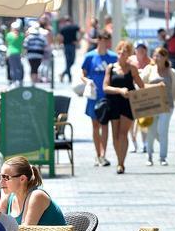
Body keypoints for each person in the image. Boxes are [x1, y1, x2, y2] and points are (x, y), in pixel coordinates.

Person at [98, 40, 144, 174]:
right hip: (113, 103)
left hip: (127, 104)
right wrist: (119, 90)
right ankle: (119, 159)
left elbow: (141, 86)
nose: (122, 54)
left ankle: (121, 163)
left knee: (123, 133)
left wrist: (156, 87)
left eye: (125, 52)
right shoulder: (111, 68)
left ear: (129, 54)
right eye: (120, 51)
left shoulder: (132, 68)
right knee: (115, 135)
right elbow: (105, 87)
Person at [140, 47, 175, 166]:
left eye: (158, 55)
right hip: (152, 104)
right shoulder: (149, 69)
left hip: (167, 105)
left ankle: (163, 157)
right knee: (151, 130)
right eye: (154, 55)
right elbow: (139, 83)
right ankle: (149, 156)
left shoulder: (171, 72)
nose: (156, 58)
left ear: (165, 57)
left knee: (163, 130)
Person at [80, 32, 117, 167]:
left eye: (108, 40)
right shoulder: (90, 56)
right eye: (104, 40)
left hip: (107, 96)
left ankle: (103, 154)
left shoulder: (113, 57)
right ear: (99, 40)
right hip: (94, 96)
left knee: (105, 124)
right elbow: (82, 74)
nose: (106, 43)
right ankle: (97, 154)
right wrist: (87, 81)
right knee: (95, 125)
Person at [0, 155, 66, 226]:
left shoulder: (37, 196)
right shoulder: (8, 197)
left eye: (5, 177)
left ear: (22, 179)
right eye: (0, 176)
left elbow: (25, 230)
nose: (1, 182)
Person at [131, 43, 154, 154]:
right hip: (132, 93)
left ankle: (145, 142)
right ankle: (133, 142)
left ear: (146, 50)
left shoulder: (151, 62)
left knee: (143, 119)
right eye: (138, 50)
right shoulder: (131, 61)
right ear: (135, 51)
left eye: (142, 50)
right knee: (132, 120)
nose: (140, 52)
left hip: (145, 94)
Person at [58, 16, 81, 82]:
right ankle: (69, 77)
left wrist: (60, 43)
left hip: (66, 46)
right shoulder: (74, 27)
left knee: (68, 62)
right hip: (72, 45)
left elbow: (60, 37)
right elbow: (82, 32)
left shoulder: (63, 28)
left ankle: (63, 74)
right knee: (72, 61)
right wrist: (78, 40)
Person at [5, 21, 24, 86]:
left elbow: (7, 44)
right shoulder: (21, 35)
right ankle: (18, 80)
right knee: (18, 67)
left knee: (13, 68)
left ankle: (14, 81)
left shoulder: (9, 35)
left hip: (11, 53)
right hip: (18, 53)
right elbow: (22, 45)